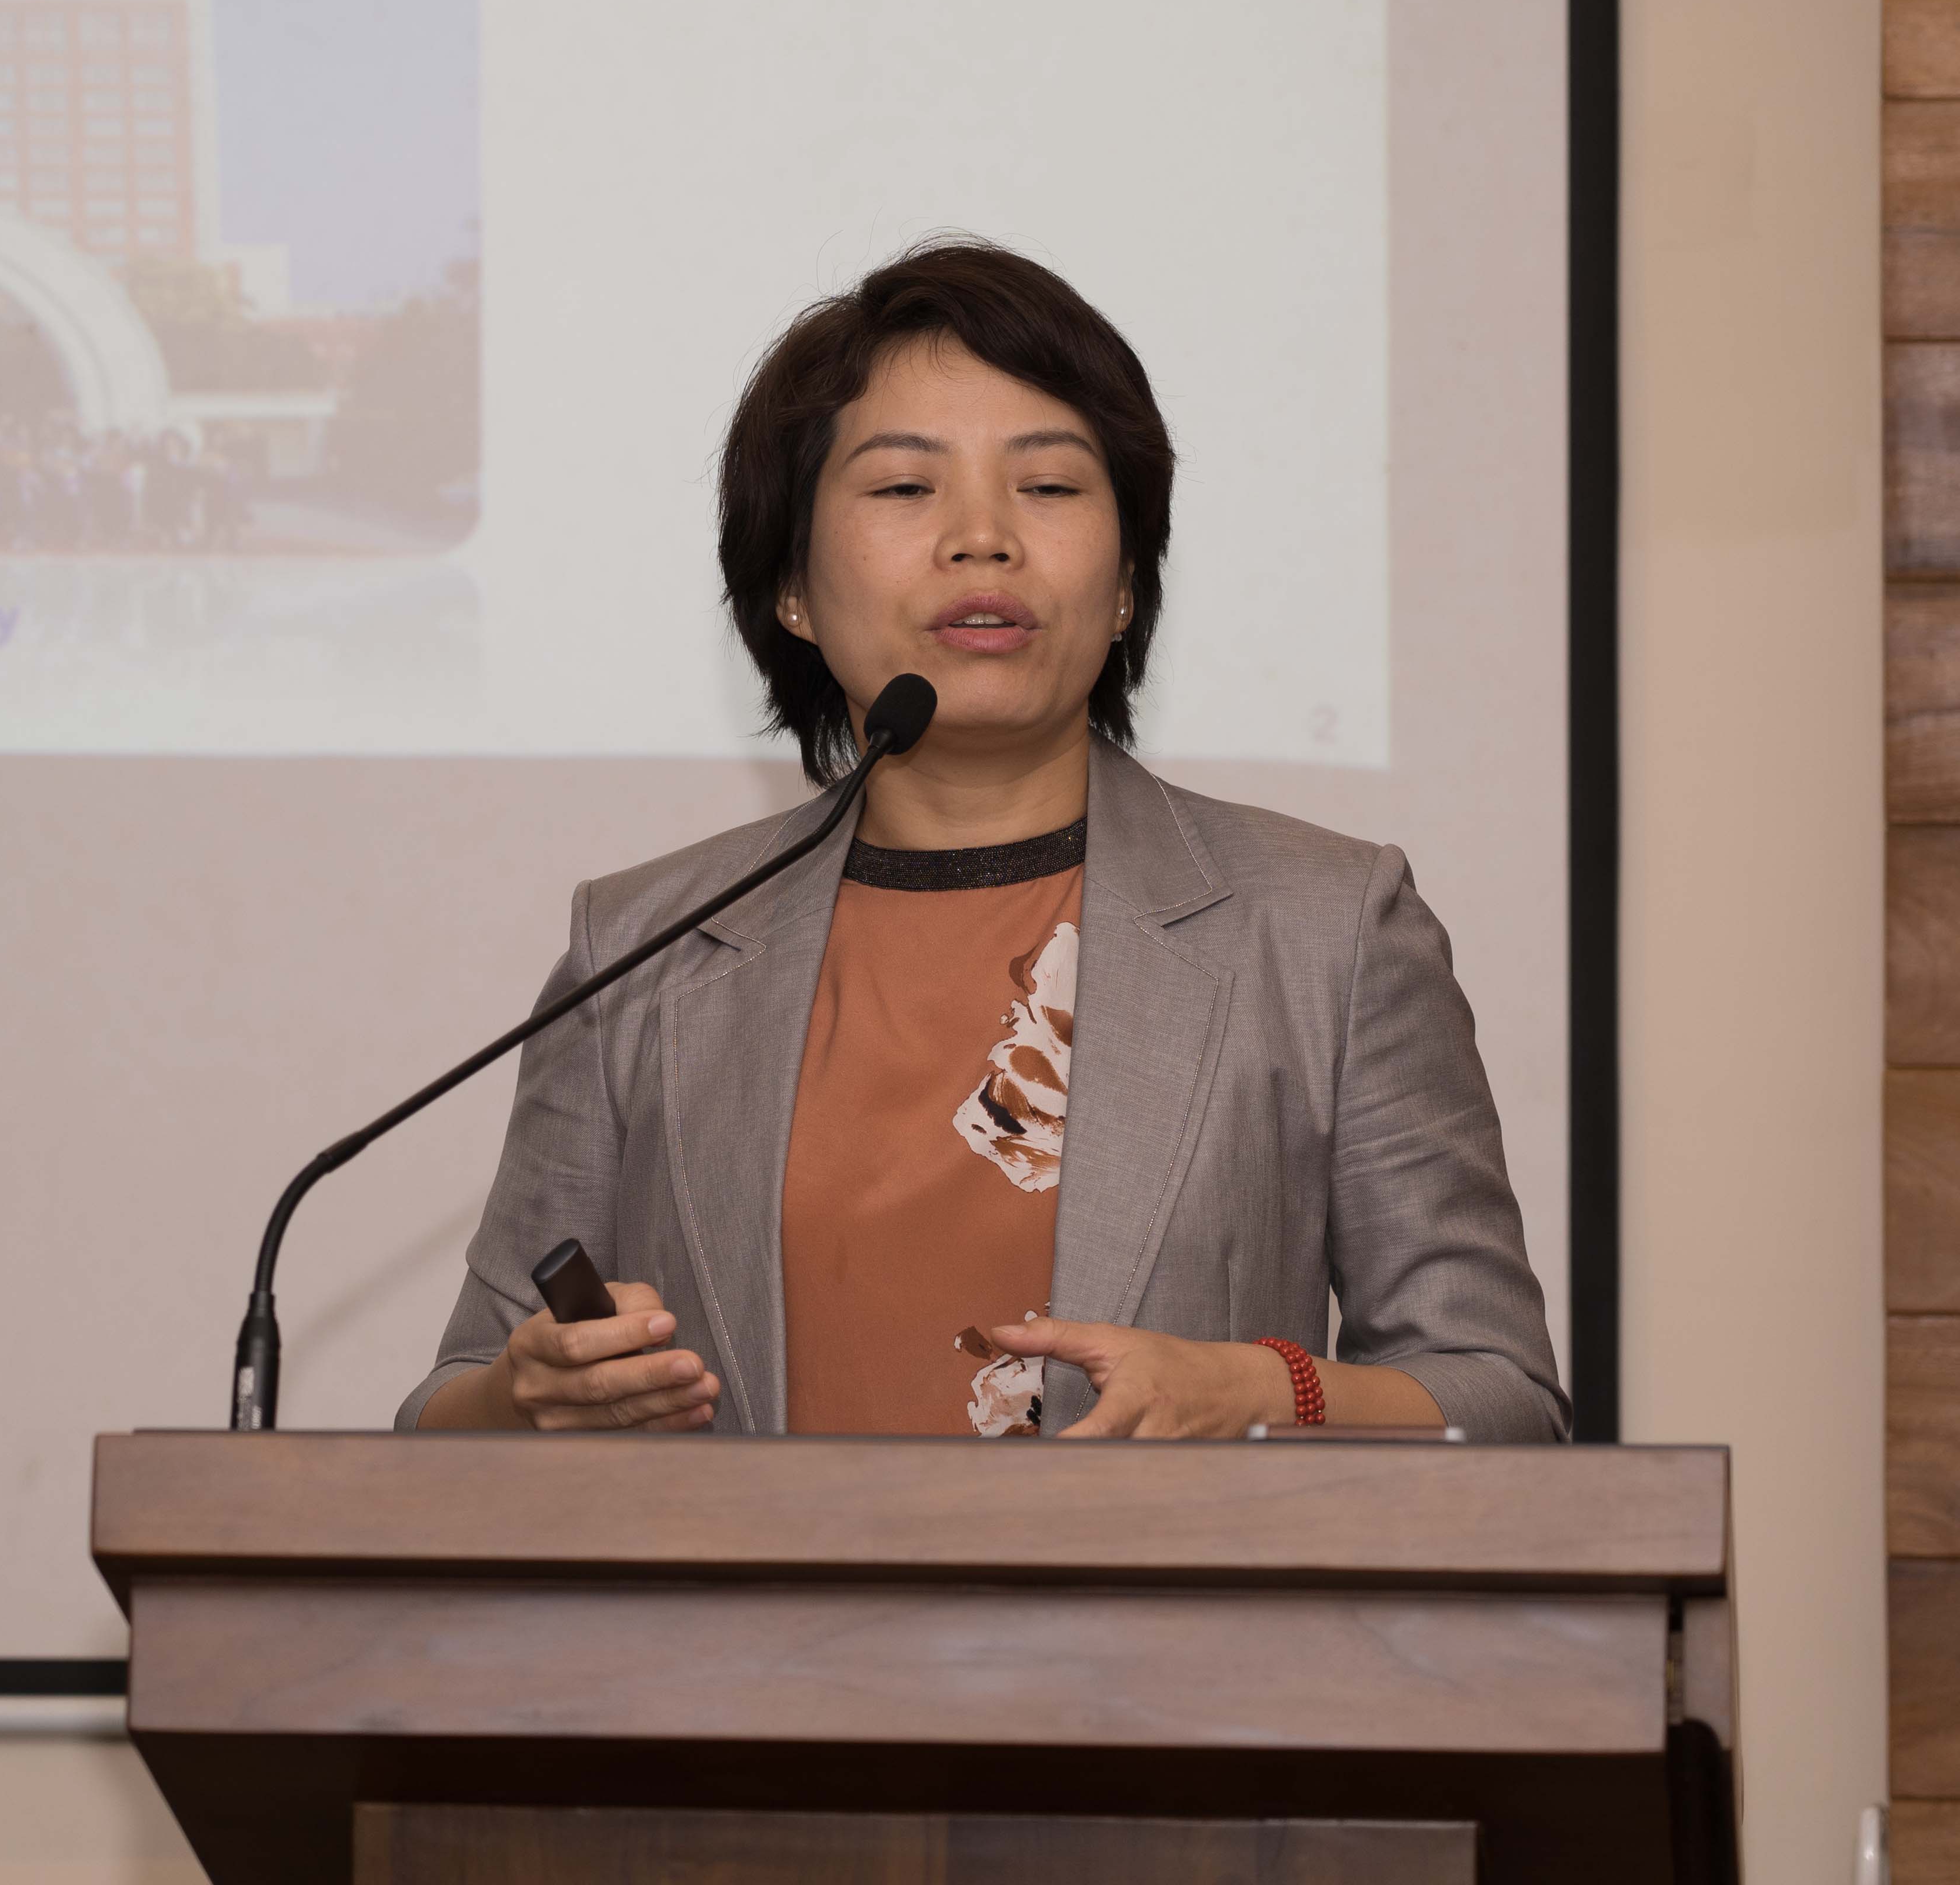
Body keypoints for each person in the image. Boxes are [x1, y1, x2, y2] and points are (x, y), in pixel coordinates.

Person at [402, 242, 1566, 1443]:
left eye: (1049, 486)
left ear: (1126, 583)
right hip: (755, 1582)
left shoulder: (1326, 928)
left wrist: (1266, 1390)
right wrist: (527, 1395)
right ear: (792, 585)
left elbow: (1502, 1398)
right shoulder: (642, 951)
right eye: (904, 488)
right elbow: (451, 1405)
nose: (982, 537)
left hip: (1165, 1578)